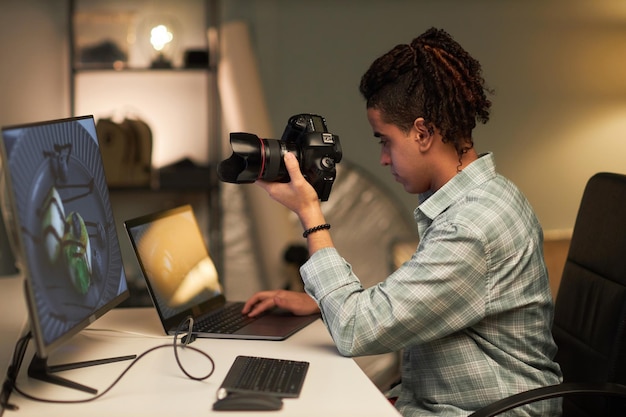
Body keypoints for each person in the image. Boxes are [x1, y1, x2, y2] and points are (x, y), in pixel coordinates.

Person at [242, 27, 563, 416]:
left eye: (384, 140)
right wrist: (321, 304)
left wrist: (310, 214)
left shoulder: (474, 226)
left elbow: (355, 330)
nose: (383, 158)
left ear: (422, 132)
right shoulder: (477, 199)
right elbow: (418, 297)